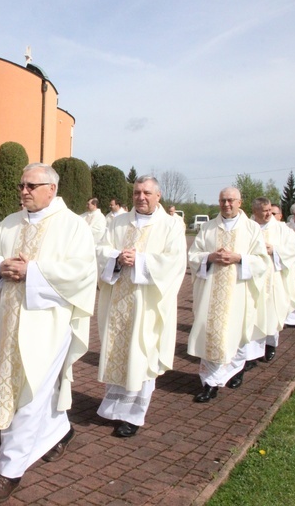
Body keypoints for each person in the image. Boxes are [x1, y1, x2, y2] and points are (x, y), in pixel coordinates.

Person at [0, 163, 96, 503]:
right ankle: (61, 431)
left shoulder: (73, 227)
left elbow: (81, 272)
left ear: (52, 189)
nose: (24, 191)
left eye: (32, 185)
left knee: (29, 393)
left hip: (49, 324)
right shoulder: (8, 224)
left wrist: (32, 271)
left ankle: (9, 471)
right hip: (9, 322)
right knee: (24, 388)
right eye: (21, 185)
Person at [96, 176, 186, 437]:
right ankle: (114, 408)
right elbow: (100, 250)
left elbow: (175, 262)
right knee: (118, 352)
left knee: (142, 354)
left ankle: (134, 415)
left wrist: (141, 260)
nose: (141, 197)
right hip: (118, 302)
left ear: (158, 196)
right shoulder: (118, 222)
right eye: (137, 192)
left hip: (148, 305)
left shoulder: (171, 225)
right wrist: (116, 257)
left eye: (147, 192)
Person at [187, 187, 269, 402]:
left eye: (231, 200)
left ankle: (235, 370)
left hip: (238, 293)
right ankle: (209, 383)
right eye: (223, 200)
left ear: (240, 202)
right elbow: (193, 255)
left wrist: (239, 258)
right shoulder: (208, 228)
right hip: (210, 294)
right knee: (211, 335)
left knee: (235, 335)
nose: (227, 204)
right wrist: (210, 256)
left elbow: (262, 261)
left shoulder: (251, 229)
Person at [240, 197, 295, 370]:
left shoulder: (283, 230)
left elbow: (294, 251)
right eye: (263, 211)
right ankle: (250, 356)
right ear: (254, 211)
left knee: (272, 315)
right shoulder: (247, 228)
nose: (267, 214)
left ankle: (271, 344)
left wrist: (275, 250)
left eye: (269, 211)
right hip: (250, 280)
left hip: (273, 280)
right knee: (252, 317)